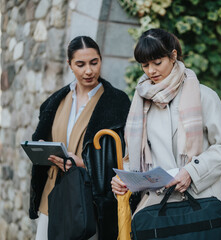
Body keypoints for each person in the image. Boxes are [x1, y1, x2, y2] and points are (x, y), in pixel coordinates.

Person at [111, 28, 221, 213]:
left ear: (173, 56)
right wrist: (124, 181)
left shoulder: (204, 96)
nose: (151, 71)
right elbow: (135, 158)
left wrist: (191, 172)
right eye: (145, 65)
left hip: (198, 204)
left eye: (157, 62)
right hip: (155, 209)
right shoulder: (140, 104)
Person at [29, 36, 131, 240]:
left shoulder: (117, 103)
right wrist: (42, 147)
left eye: (94, 62)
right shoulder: (55, 101)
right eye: (80, 64)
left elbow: (124, 158)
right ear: (69, 65)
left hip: (89, 202)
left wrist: (84, 164)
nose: (89, 71)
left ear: (101, 60)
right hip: (52, 196)